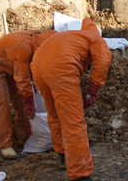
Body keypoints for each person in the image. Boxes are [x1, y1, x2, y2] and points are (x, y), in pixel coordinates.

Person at [31, 18, 112, 181]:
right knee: (73, 120)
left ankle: (62, 153)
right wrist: (93, 91)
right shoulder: (95, 39)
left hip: (37, 66)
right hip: (61, 66)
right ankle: (80, 173)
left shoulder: (71, 36)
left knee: (54, 113)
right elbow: (104, 60)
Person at [0, 29, 58, 159]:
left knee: (21, 103)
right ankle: (4, 143)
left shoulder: (42, 40)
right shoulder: (22, 47)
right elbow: (22, 79)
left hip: (13, 65)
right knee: (2, 103)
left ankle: (25, 137)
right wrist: (29, 101)